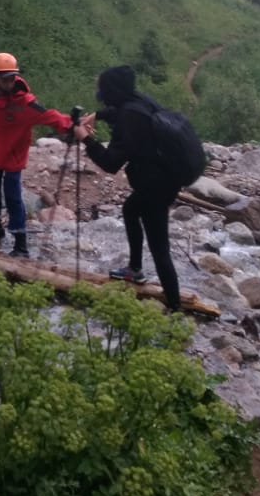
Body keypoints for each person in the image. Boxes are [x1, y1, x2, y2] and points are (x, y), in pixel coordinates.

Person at [73, 64, 182, 312]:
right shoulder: (138, 102)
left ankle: (175, 309)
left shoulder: (129, 118)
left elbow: (111, 163)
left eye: (103, 90)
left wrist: (86, 139)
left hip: (155, 186)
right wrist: (97, 116)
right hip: (164, 178)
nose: (101, 95)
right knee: (131, 210)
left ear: (112, 91)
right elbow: (119, 113)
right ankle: (135, 270)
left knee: (160, 248)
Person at [0, 52, 73, 258]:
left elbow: (49, 116)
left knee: (13, 197)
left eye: (13, 77)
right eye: (6, 78)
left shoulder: (24, 102)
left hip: (13, 156)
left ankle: (20, 245)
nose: (11, 82)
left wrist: (74, 125)